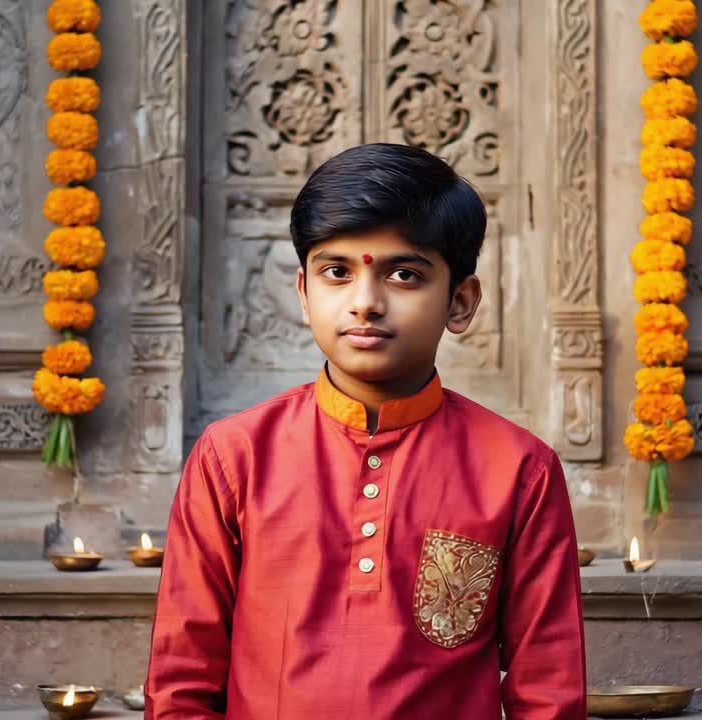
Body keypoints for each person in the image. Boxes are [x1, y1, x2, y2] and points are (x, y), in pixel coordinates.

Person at [145, 143, 586, 718]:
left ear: (460, 301)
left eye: (405, 274)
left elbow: (548, 689)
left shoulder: (519, 470)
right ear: (304, 294)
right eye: (337, 272)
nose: (365, 303)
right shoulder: (233, 458)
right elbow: (182, 681)